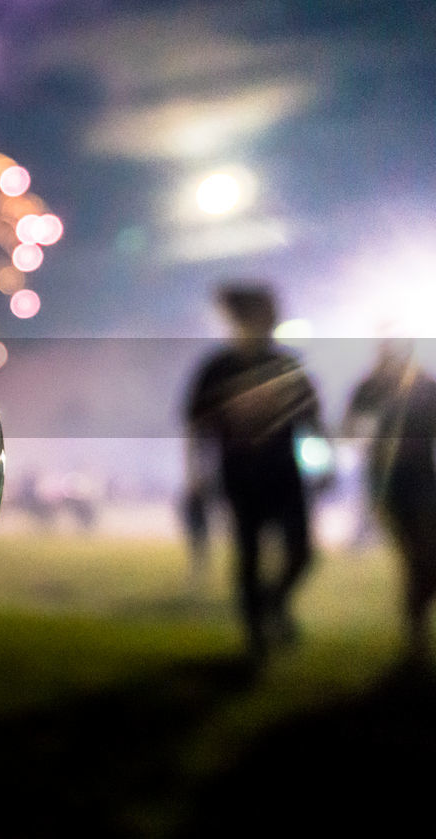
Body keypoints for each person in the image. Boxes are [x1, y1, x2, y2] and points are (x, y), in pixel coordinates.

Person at [184, 283, 323, 660]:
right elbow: (196, 426)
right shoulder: (217, 369)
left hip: (284, 475)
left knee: (303, 552)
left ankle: (273, 603)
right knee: (247, 556)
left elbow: (313, 417)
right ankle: (255, 636)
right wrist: (195, 474)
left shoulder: (286, 366)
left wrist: (325, 464)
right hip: (240, 476)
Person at [344, 337, 436, 663]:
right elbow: (350, 433)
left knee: (426, 562)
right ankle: (416, 637)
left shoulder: (425, 386)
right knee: (418, 559)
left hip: (427, 485)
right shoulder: (369, 388)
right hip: (388, 489)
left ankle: (416, 634)